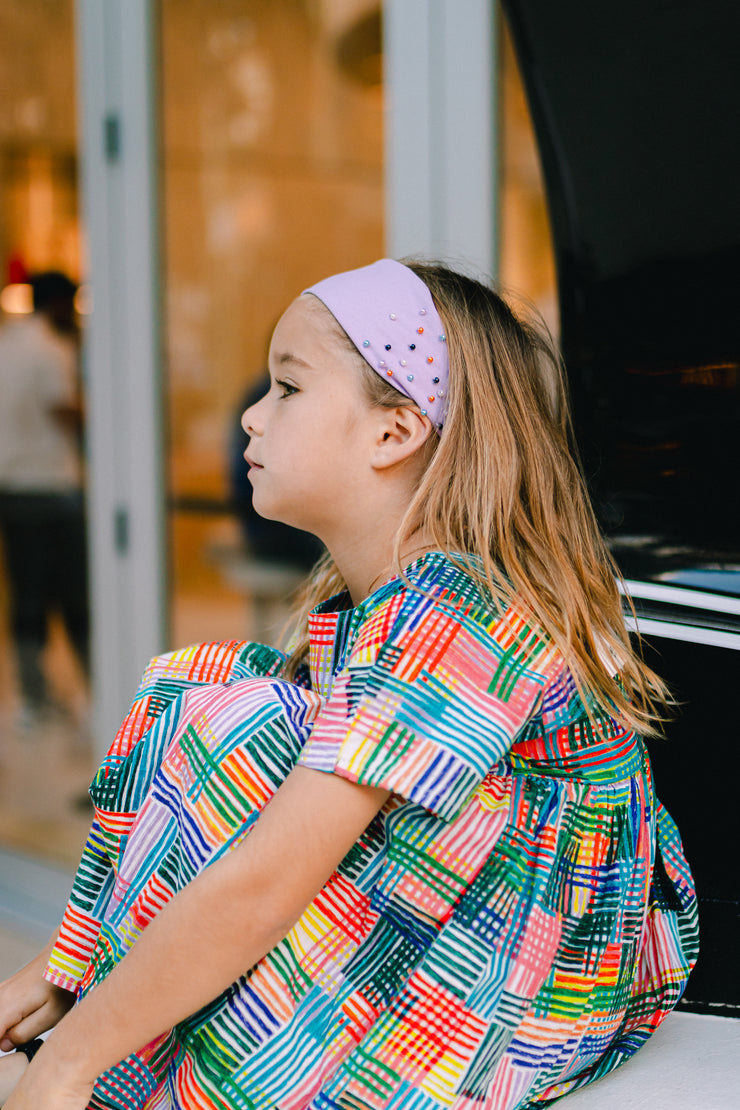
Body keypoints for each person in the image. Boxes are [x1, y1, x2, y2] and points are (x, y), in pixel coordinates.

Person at [0, 259, 698, 1109]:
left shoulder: (462, 608)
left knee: (243, 724)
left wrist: (71, 1061)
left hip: (532, 985)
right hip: (459, 930)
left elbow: (270, 878)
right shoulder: (372, 601)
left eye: (287, 388)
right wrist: (73, 962)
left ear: (393, 432)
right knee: (216, 696)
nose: (252, 417)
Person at [0, 270, 88, 722]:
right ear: (59, 304)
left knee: (26, 596)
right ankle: (98, 690)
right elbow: (62, 411)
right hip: (54, 487)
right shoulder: (52, 350)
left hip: (12, 490)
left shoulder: (6, 344)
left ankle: (32, 701)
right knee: (75, 596)